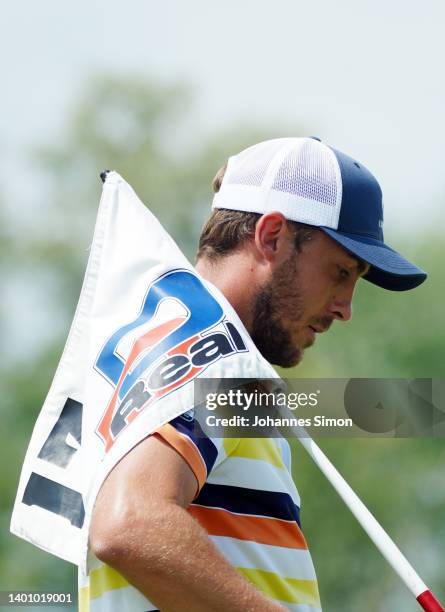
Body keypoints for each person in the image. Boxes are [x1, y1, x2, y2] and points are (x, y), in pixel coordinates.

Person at [83, 137, 426, 611]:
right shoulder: (216, 355)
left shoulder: (183, 343)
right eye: (341, 272)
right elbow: (129, 524)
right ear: (271, 237)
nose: (346, 308)